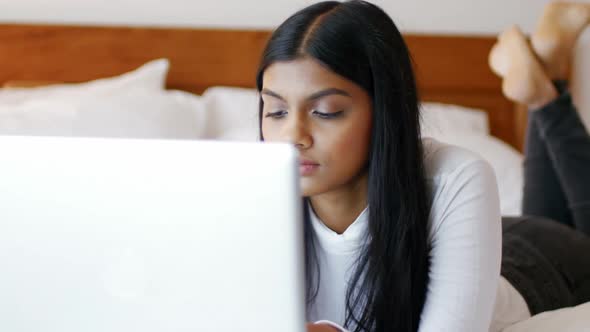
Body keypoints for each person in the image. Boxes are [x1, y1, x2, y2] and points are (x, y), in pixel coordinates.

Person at [255, 1, 590, 331]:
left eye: (326, 111)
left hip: (539, 263)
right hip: (486, 235)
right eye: (276, 111)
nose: (292, 136)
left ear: (384, 112)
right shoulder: (243, 195)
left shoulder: (455, 176)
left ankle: (545, 94)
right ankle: (546, 81)